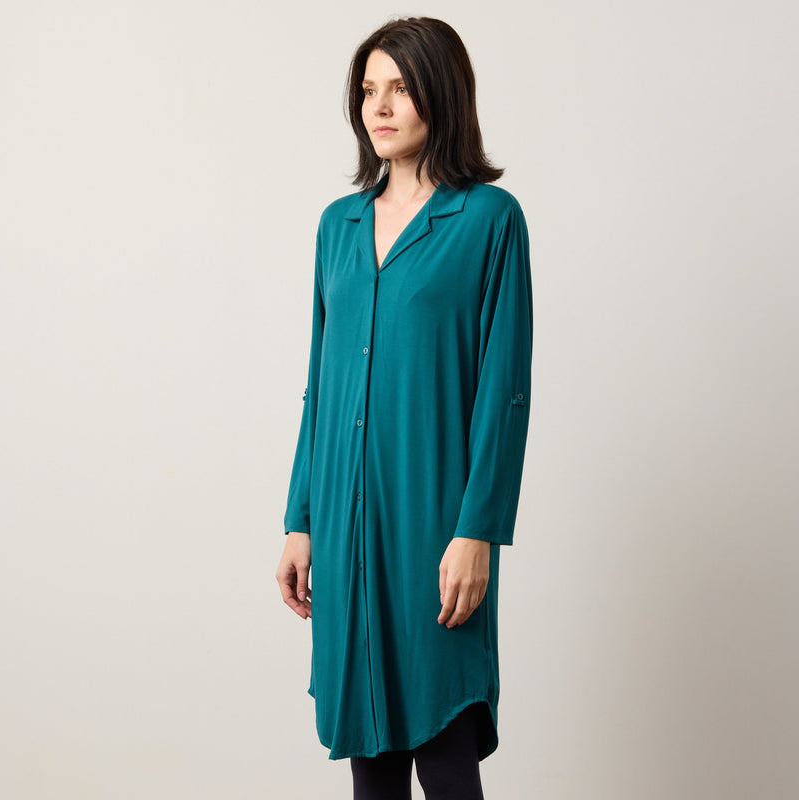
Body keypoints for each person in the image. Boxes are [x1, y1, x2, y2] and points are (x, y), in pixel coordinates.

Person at [276, 16, 533, 800]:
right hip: (345, 522)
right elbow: (321, 383)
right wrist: (300, 520)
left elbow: (504, 391)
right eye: (368, 91)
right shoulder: (338, 225)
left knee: (446, 752)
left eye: (399, 88)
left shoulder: (489, 220)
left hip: (435, 525)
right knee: (372, 760)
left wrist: (478, 531)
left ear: (440, 95)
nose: (378, 108)